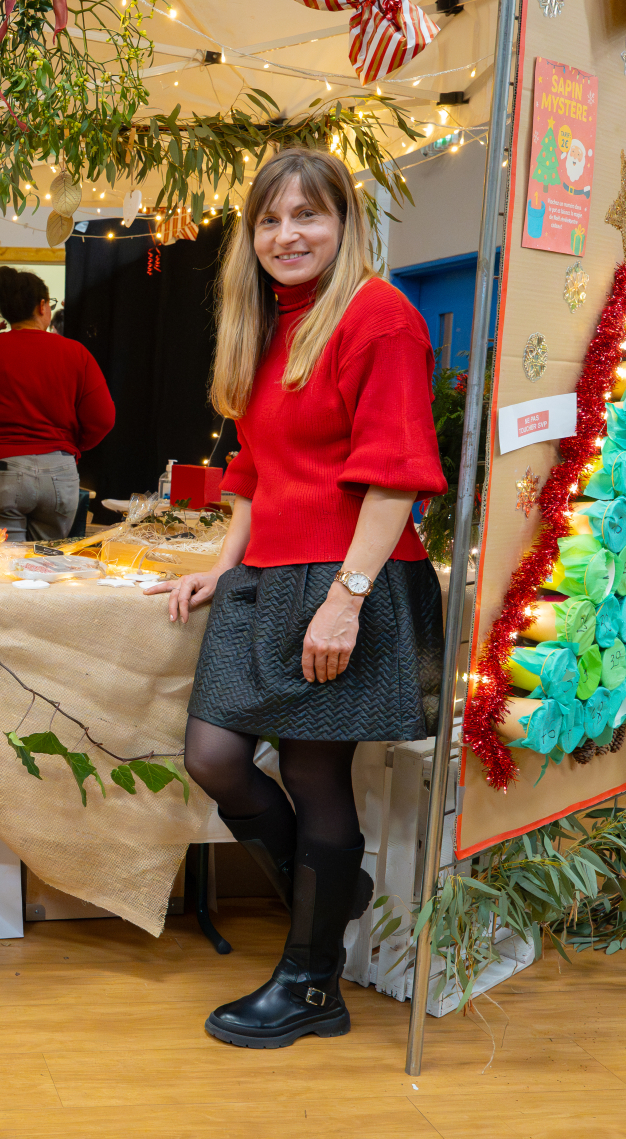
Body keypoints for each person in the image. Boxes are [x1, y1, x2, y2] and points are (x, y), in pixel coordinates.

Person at [146, 146, 446, 1050]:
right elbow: (252, 470)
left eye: (308, 214)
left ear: (345, 222)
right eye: (270, 219)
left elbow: (395, 476)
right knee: (213, 757)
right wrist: (222, 564)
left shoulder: (379, 318)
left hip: (347, 575)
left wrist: (347, 599)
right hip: (268, 578)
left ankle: (313, 985)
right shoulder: (267, 323)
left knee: (316, 775)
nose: (287, 235)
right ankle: (334, 893)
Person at [0, 266, 114, 540]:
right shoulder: (75, 352)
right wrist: (68, 446)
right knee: (45, 562)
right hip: (59, 474)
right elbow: (103, 418)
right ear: (42, 306)